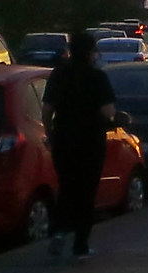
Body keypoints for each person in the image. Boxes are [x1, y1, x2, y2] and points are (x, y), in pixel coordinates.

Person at [42, 32, 117, 261]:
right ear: (91, 52)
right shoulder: (97, 78)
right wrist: (112, 118)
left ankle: (59, 231)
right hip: (90, 141)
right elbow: (107, 112)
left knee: (66, 186)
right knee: (86, 191)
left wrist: (50, 133)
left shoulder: (58, 75)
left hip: (63, 139)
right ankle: (80, 245)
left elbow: (46, 110)